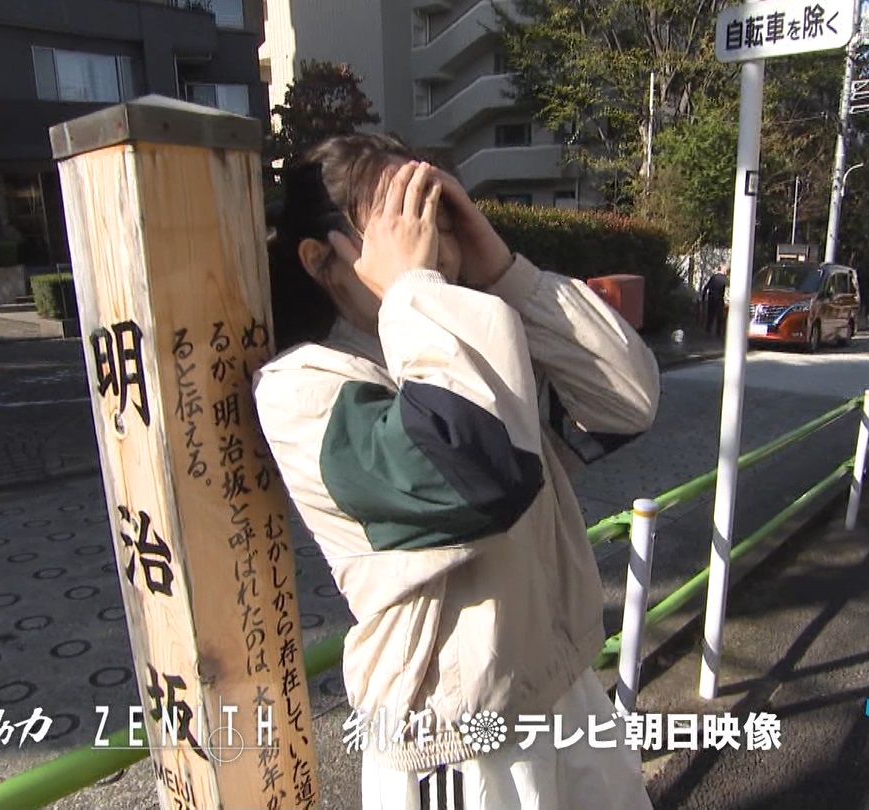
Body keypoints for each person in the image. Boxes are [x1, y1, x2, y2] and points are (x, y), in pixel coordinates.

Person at [252, 133, 660, 810]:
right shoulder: (305, 388)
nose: (431, 243)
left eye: (439, 216)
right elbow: (472, 472)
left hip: (564, 690)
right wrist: (415, 289)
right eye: (400, 219)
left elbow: (626, 402)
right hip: (455, 742)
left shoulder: (469, 338)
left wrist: (505, 270)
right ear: (320, 259)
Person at [699, 269, 728, 336]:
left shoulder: (714, 277)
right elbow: (725, 289)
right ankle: (718, 332)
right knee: (719, 316)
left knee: (710, 315)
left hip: (711, 298)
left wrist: (703, 297)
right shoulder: (724, 279)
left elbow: (706, 287)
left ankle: (708, 330)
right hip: (719, 299)